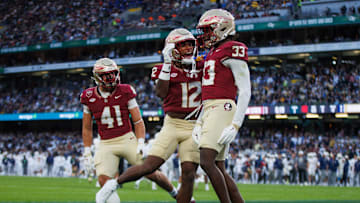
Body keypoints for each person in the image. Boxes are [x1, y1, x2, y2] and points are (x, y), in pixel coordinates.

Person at [96, 28, 203, 203]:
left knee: (189, 173)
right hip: (173, 124)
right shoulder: (162, 69)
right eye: (182, 45)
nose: (188, 48)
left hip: (195, 125)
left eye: (190, 44)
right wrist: (168, 64)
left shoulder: (202, 65)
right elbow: (161, 93)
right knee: (150, 165)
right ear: (172, 49)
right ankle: (113, 184)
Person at [80, 58, 176, 203]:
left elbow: (138, 121)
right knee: (103, 180)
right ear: (97, 77)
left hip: (126, 138)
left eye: (113, 73)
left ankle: (175, 193)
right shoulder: (88, 96)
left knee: (150, 171)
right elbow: (87, 128)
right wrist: (87, 151)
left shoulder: (125, 90)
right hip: (106, 143)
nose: (111, 78)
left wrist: (141, 142)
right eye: (107, 75)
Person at [192, 8, 251, 203]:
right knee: (218, 167)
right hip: (210, 108)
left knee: (206, 161)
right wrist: (200, 122)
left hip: (222, 107)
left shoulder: (232, 48)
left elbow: (245, 90)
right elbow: (208, 95)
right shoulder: (213, 52)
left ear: (222, 27)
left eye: (209, 30)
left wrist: (235, 124)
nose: (205, 35)